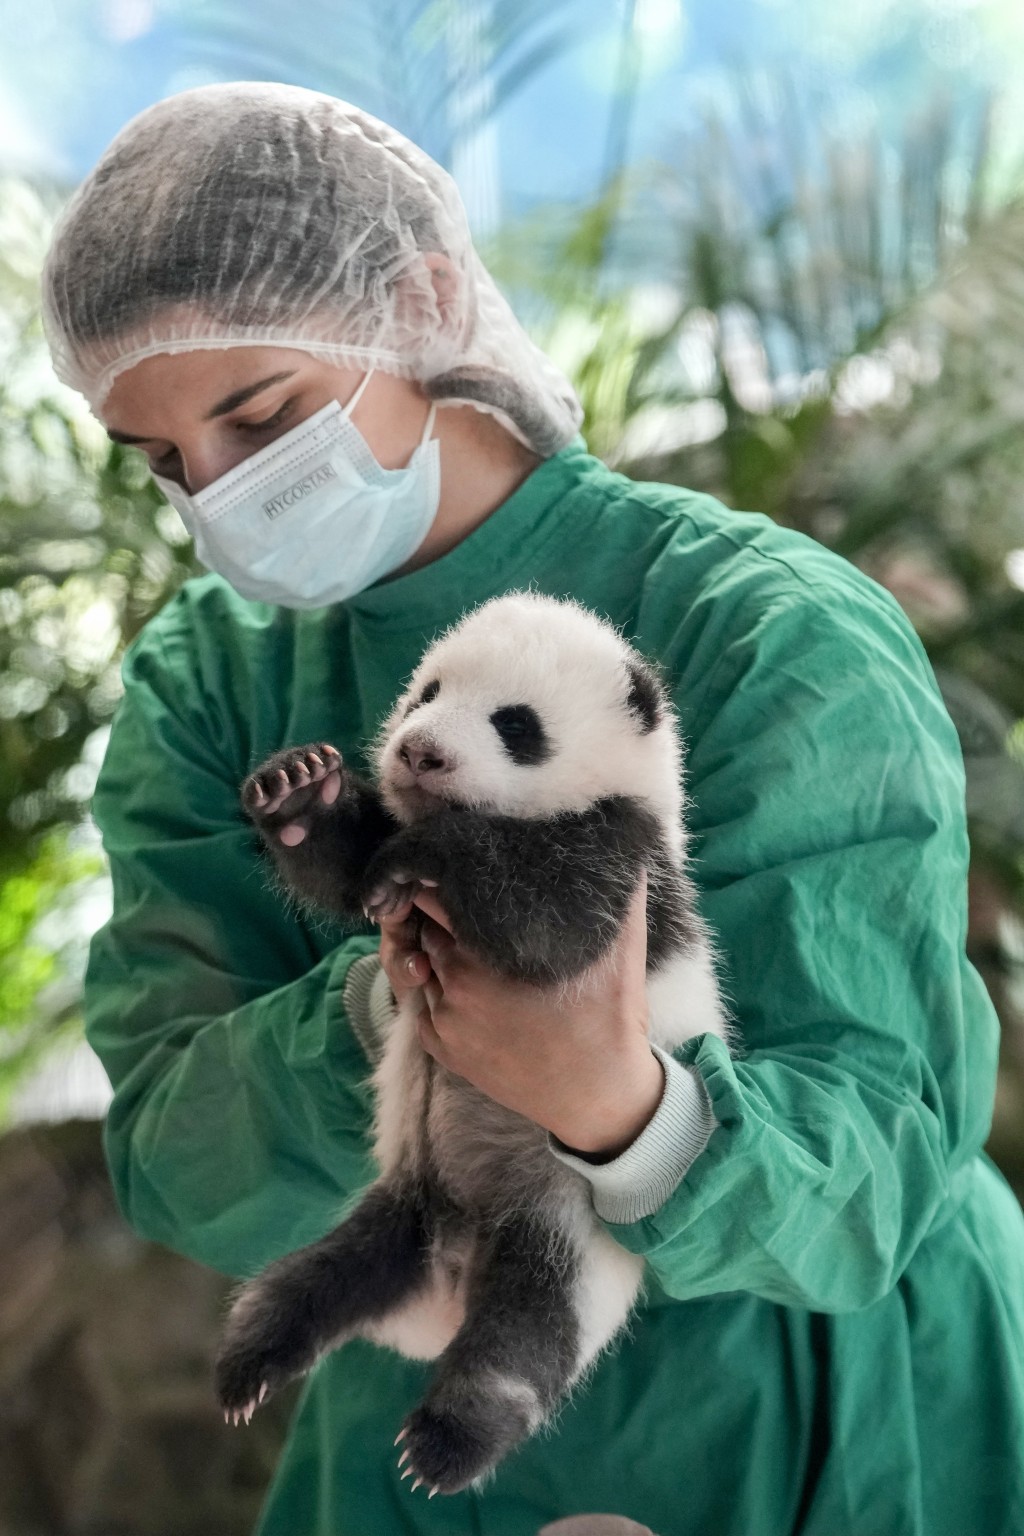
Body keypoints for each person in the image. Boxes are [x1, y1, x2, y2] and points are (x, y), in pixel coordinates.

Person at [41, 81, 1024, 1536]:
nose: (219, 498)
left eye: (262, 418)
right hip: (426, 1389)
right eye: (168, 461)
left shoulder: (769, 635)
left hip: (813, 1378)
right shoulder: (213, 679)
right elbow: (183, 1166)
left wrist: (626, 1108)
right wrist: (408, 1001)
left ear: (425, 297)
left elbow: (870, 1175)